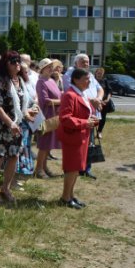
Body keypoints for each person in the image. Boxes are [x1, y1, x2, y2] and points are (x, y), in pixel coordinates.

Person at [0, 51, 34, 204]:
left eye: (18, 61)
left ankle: (5, 188)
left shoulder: (20, 80)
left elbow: (21, 104)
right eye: (13, 61)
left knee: (14, 156)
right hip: (1, 125)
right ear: (5, 64)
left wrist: (28, 113)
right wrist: (9, 123)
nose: (17, 64)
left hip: (17, 125)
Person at [57, 69, 99, 209]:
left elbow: (83, 113)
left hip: (81, 136)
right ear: (76, 79)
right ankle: (65, 198)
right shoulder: (69, 95)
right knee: (72, 168)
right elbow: (65, 118)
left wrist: (91, 119)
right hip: (72, 137)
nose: (89, 81)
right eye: (86, 79)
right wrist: (85, 122)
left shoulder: (81, 94)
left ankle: (70, 195)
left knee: (76, 168)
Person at [63, 54, 103, 179]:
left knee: (90, 142)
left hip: (92, 113)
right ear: (76, 63)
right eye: (83, 61)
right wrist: (91, 101)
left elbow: (100, 89)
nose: (86, 64)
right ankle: (77, 168)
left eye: (88, 61)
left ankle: (86, 168)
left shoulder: (90, 75)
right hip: (80, 115)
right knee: (78, 143)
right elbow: (73, 93)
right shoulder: (70, 75)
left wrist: (98, 99)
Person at [35, 58, 62, 179]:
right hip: (46, 116)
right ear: (42, 69)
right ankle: (39, 169)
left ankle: (44, 167)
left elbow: (57, 95)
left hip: (54, 115)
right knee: (44, 144)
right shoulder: (41, 82)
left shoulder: (51, 80)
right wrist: (61, 101)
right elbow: (45, 100)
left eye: (52, 66)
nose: (51, 69)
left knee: (49, 144)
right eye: (48, 67)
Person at [95, 68, 112, 139]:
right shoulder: (92, 80)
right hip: (95, 102)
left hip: (104, 103)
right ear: (96, 73)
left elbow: (109, 91)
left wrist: (107, 99)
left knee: (103, 117)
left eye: (101, 74)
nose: (99, 75)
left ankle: (99, 132)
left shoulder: (105, 81)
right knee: (93, 117)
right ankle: (91, 132)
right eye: (98, 73)